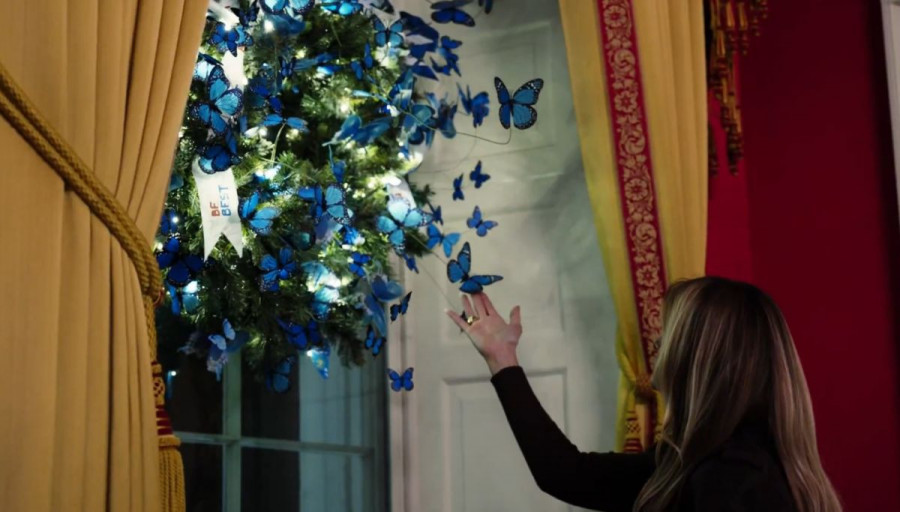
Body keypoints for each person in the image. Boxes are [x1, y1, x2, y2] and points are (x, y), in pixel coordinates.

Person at [446, 277, 842, 512]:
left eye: (668, 333)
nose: (657, 344)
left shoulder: (734, 479)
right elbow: (565, 473)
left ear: (696, 358)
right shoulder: (695, 460)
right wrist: (502, 358)